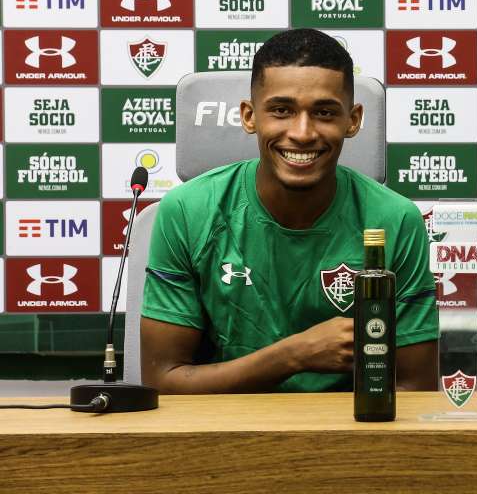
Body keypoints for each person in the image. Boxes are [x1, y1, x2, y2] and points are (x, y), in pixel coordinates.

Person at [141, 29, 438, 393]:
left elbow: (415, 386)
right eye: (281, 110)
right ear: (249, 117)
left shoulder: (396, 220)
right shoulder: (187, 210)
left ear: (353, 120)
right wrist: (294, 355)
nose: (302, 132)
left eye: (325, 112)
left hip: (351, 435)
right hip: (224, 431)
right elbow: (163, 381)